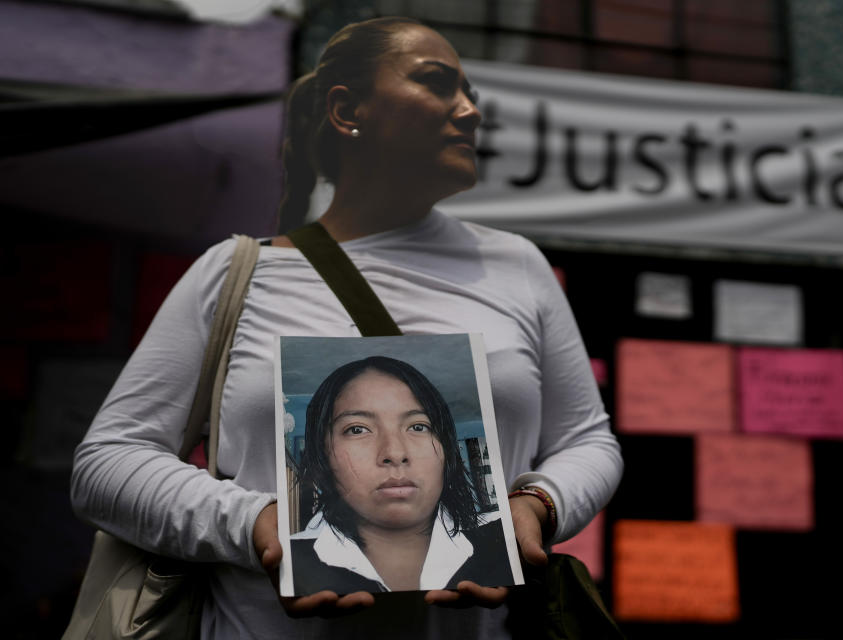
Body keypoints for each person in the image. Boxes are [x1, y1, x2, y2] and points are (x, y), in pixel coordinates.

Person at [72, 15, 623, 640]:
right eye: (438, 84)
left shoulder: (517, 266)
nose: (469, 110)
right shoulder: (236, 274)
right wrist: (258, 524)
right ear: (345, 110)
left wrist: (537, 507)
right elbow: (107, 462)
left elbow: (588, 440)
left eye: (470, 92)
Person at [288, 356, 514, 594]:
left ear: (447, 450)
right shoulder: (289, 559)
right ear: (323, 455)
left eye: (418, 427)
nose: (395, 453)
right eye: (357, 429)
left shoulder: (505, 538)